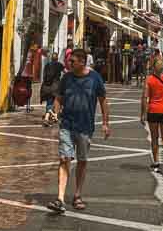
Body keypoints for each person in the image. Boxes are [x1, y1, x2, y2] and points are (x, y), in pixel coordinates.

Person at [47, 48, 110, 214]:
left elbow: (103, 101)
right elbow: (59, 98)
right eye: (69, 61)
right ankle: (60, 198)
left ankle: (77, 195)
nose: (69, 63)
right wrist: (54, 112)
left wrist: (105, 123)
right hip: (67, 125)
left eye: (72, 61)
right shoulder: (66, 78)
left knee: (82, 161)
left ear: (82, 62)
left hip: (85, 127)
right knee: (64, 158)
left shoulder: (95, 78)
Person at [141, 55, 163, 173]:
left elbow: (145, 97)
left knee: (155, 138)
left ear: (153, 67)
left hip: (153, 111)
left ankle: (156, 162)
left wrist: (142, 114)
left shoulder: (149, 80)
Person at [40, 49, 64, 126]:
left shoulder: (47, 65)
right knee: (55, 102)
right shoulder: (59, 65)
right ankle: (50, 117)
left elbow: (44, 76)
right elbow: (66, 72)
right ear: (57, 59)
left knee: (49, 102)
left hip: (46, 87)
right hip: (55, 87)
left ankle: (50, 117)